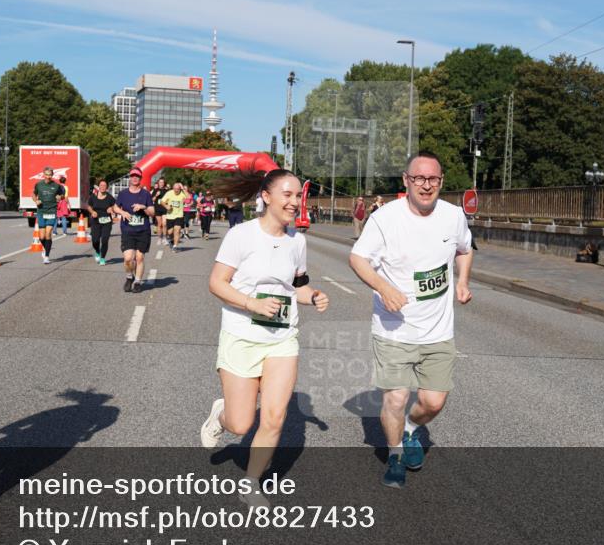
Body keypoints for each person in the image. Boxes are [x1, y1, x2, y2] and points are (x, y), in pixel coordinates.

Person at [201, 168, 329, 507]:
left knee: (274, 416)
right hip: (241, 335)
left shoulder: (297, 241)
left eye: (298, 195)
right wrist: (251, 303)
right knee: (241, 423)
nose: (294, 201)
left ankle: (251, 484)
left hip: (282, 337)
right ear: (267, 196)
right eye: (286, 194)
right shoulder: (241, 235)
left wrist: (313, 296)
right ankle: (221, 414)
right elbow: (217, 283)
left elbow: (296, 287)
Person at [349, 151, 473, 489]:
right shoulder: (385, 219)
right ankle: (395, 455)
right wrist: (382, 287)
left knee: (433, 401)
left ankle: (411, 429)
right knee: (396, 399)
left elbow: (465, 249)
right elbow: (357, 258)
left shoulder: (453, 216)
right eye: (419, 178)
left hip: (438, 330)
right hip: (394, 328)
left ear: (441, 182)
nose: (426, 185)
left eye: (433, 179)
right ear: (406, 181)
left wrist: (462, 281)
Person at [113, 168, 155, 293]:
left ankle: (137, 281)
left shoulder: (146, 194)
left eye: (137, 176)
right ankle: (129, 276)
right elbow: (115, 207)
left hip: (143, 230)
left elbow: (152, 212)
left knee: (140, 257)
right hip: (127, 230)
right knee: (128, 258)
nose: (135, 178)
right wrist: (122, 212)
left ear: (140, 178)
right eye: (133, 176)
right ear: (130, 178)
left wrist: (144, 207)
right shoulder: (123, 194)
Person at [33, 166, 63, 263]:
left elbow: (62, 195)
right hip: (41, 211)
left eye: (50, 175)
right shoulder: (39, 185)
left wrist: (60, 197)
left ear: (52, 175)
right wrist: (36, 200)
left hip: (51, 211)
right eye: (46, 175)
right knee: (41, 237)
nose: (48, 176)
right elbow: (33, 194)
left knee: (48, 233)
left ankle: (46, 256)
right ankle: (45, 247)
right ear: (43, 175)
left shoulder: (56, 185)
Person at [87, 178, 116, 265]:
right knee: (95, 240)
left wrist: (111, 208)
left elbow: (115, 206)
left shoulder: (110, 197)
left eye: (104, 186)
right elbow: (89, 206)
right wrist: (92, 212)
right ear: (98, 187)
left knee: (105, 240)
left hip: (107, 221)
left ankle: (102, 258)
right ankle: (97, 251)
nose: (103, 187)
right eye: (101, 185)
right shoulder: (93, 196)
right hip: (96, 221)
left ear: (107, 187)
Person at [160, 182, 188, 251]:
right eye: (175, 189)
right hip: (170, 216)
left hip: (179, 215)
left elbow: (189, 197)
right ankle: (171, 240)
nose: (176, 190)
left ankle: (175, 246)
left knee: (177, 230)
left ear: (180, 189)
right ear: (173, 188)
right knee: (170, 232)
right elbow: (162, 201)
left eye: (178, 189)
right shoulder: (169, 193)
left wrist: (183, 189)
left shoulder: (182, 193)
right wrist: (166, 206)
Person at [151, 177, 170, 243]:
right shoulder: (155, 190)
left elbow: (170, 199)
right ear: (158, 183)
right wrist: (156, 195)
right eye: (160, 182)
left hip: (164, 209)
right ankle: (159, 238)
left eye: (162, 182)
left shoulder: (167, 190)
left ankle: (165, 238)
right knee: (159, 224)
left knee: (164, 224)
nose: (161, 183)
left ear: (164, 183)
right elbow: (152, 200)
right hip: (158, 208)